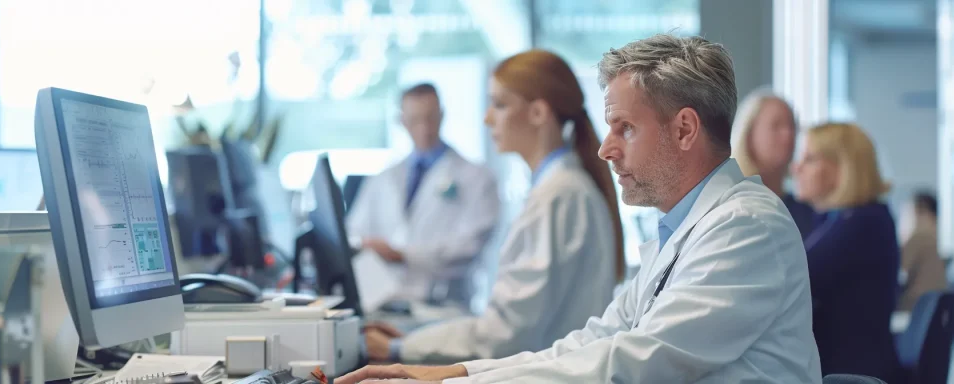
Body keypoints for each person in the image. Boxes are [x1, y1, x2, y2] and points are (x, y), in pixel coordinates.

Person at [338, 33, 821, 384]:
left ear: (685, 130)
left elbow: (636, 362)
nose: (605, 149)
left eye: (625, 128)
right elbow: (595, 341)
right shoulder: (680, 231)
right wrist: (453, 372)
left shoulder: (745, 226)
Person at [359, 49, 626, 366]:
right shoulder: (560, 189)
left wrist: (399, 348)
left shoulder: (558, 196)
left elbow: (503, 334)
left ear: (538, 113)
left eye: (499, 104)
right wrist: (407, 341)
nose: (487, 118)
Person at [346, 83, 501, 310]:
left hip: (447, 306)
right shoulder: (383, 178)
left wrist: (401, 255)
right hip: (386, 302)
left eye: (430, 118)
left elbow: (468, 247)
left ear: (442, 116)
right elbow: (354, 234)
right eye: (415, 120)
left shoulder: (476, 178)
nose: (424, 129)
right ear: (402, 121)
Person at [791, 122, 901, 382]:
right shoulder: (847, 219)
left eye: (809, 159)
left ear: (843, 167)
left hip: (847, 373)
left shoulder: (862, 222)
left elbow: (793, 277)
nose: (796, 168)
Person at [731, 88, 816, 238]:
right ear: (749, 135)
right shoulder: (731, 204)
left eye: (792, 126)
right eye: (777, 126)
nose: (789, 135)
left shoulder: (806, 210)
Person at [898, 191, 947, 311]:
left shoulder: (919, 237)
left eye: (906, 214)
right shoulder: (937, 238)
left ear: (922, 213)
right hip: (931, 308)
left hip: (914, 307)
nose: (903, 221)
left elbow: (896, 269)